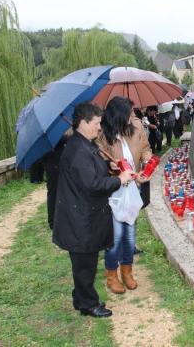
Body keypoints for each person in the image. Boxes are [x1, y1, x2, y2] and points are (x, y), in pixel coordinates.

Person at [53, 101, 135, 318]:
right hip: (79, 218)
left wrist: (110, 166)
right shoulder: (77, 150)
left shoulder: (85, 144)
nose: (100, 127)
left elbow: (93, 171)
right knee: (84, 264)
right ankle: (89, 303)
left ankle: (81, 298)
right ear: (83, 123)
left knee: (85, 262)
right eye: (97, 123)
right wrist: (120, 180)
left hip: (85, 215)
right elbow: (92, 184)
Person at [96, 96, 154, 294]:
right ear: (116, 116)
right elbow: (97, 162)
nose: (132, 118)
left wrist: (146, 165)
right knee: (115, 236)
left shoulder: (135, 129)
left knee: (129, 235)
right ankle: (111, 274)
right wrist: (110, 165)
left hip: (132, 190)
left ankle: (127, 271)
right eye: (127, 115)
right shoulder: (102, 136)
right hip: (113, 191)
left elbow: (145, 149)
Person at [40, 134, 69, 230]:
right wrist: (67, 138)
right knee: (53, 191)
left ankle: (58, 218)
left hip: (55, 160)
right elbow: (57, 138)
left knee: (58, 190)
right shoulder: (45, 130)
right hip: (52, 161)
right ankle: (53, 221)